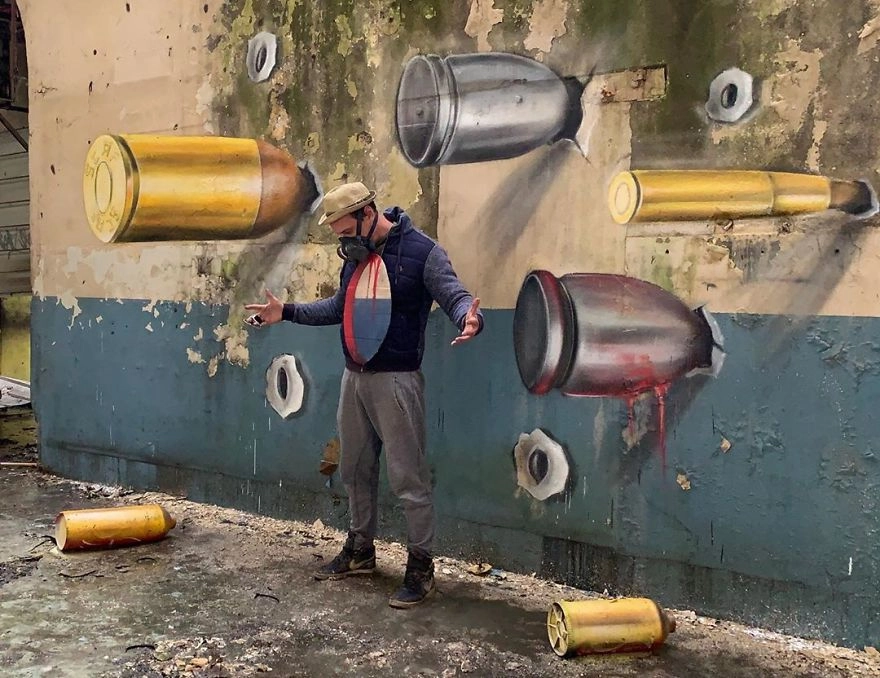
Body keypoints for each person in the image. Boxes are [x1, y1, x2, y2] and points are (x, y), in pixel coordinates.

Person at [244, 181, 483, 608]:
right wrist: (287, 312)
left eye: (345, 231)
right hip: (354, 378)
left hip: (397, 382)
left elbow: (454, 294)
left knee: (408, 478)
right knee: (354, 469)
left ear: (368, 213)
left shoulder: (423, 252)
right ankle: (360, 551)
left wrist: (469, 317)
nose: (343, 241)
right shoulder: (355, 256)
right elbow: (339, 308)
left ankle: (421, 568)